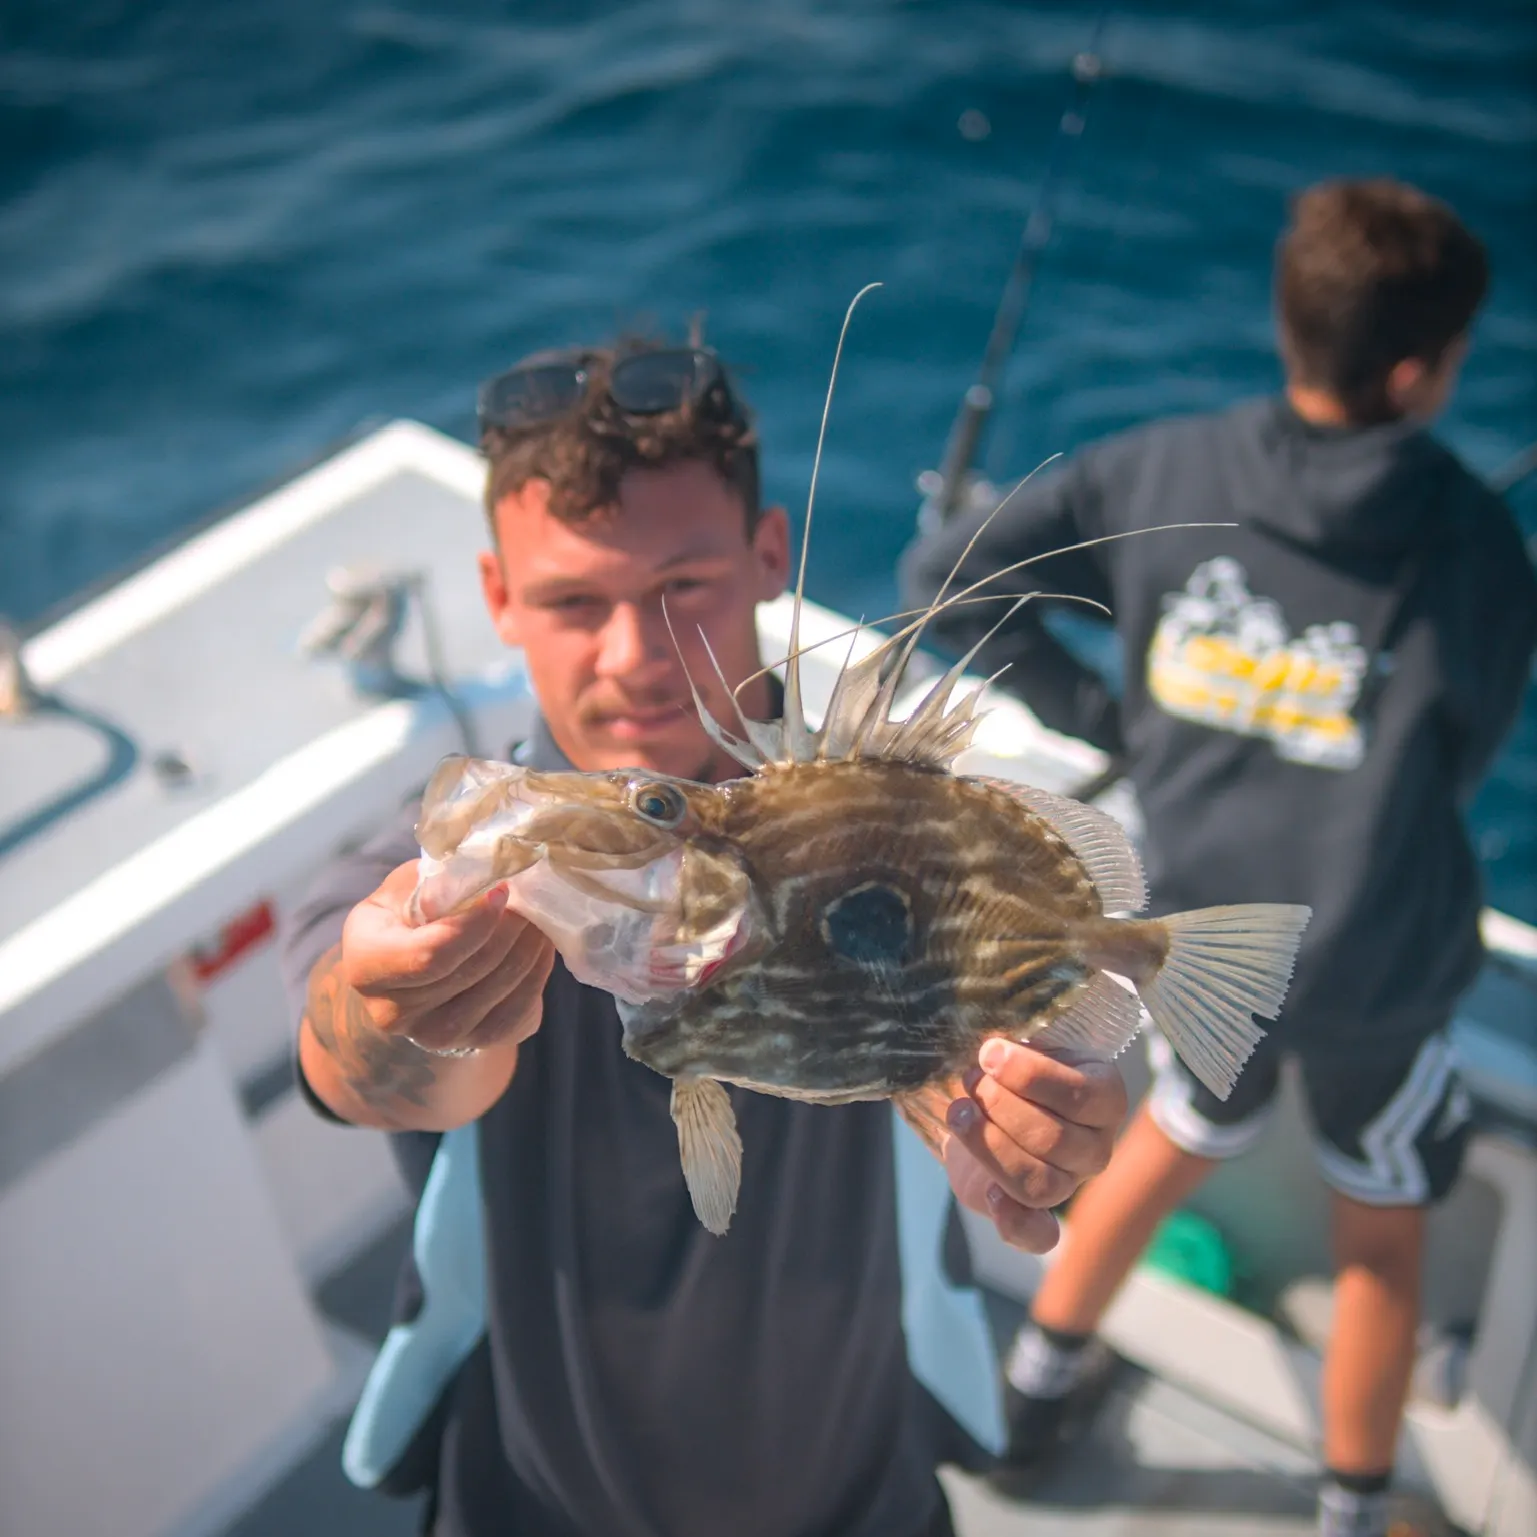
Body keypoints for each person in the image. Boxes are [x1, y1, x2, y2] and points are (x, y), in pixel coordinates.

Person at [282, 337, 1130, 1537]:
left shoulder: (903, 843)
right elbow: (373, 1065)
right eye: (575, 600)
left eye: (682, 585)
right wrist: (397, 1001)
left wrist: (1048, 1123)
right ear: (497, 598)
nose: (634, 658)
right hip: (534, 1501)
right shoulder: (444, 869)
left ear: (769, 556)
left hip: (862, 1493)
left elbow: (1016, 1052)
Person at [900, 177, 1537, 1537]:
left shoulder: (1158, 467)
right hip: (1377, 968)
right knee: (1376, 1232)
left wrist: (1109, 711)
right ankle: (1354, 1510)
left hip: (1198, 942)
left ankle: (1031, 1394)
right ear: (1420, 371)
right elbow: (1469, 740)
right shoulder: (1479, 542)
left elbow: (941, 581)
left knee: (1183, 1130)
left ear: (1292, 320)